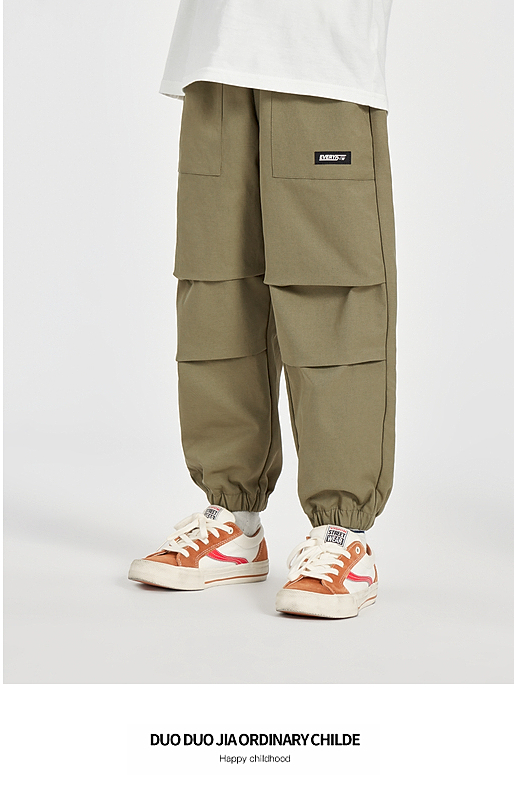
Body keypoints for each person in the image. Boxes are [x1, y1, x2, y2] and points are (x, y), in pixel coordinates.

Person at [128, 0, 396, 619]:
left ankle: (343, 534)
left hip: (321, 61)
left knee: (331, 297)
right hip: (213, 58)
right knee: (215, 289)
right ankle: (233, 522)